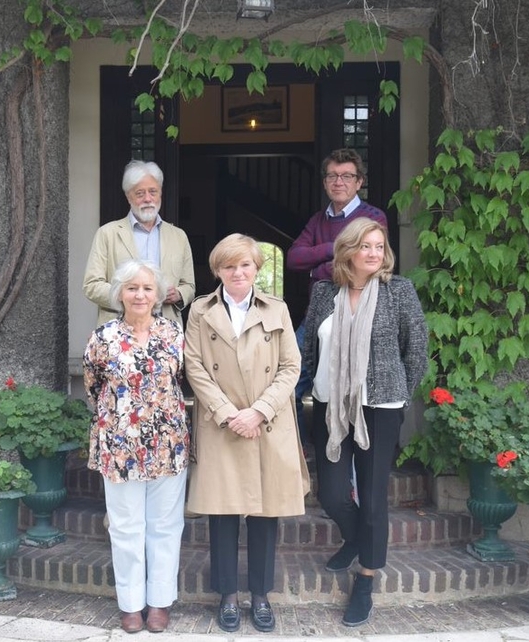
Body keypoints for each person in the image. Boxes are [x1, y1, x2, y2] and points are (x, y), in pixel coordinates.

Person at [302, 218, 428, 627]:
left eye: (380, 246)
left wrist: (399, 395)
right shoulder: (324, 293)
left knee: (373, 500)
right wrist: (308, 393)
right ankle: (355, 537)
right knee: (333, 493)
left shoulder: (399, 291)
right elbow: (310, 351)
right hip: (329, 405)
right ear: (347, 250)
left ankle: (367, 579)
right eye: (366, 246)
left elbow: (417, 349)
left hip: (380, 408)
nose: (375, 253)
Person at [184, 233, 310, 634]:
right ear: (217, 270)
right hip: (223, 425)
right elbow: (195, 367)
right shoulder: (200, 311)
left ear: (257, 268)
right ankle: (226, 596)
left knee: (263, 512)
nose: (237, 272)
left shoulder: (278, 308)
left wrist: (258, 411)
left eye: (245, 265)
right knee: (222, 514)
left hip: (266, 424)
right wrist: (227, 413)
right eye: (228, 266)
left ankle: (260, 595)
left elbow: (292, 366)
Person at [83, 259, 189, 634]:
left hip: (167, 443)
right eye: (132, 288)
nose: (140, 294)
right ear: (120, 294)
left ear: (158, 294)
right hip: (120, 446)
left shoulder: (174, 334)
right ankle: (130, 604)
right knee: (126, 527)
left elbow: (183, 381)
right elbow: (94, 385)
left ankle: (159, 602)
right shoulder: (104, 336)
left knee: (165, 525)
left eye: (147, 288)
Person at [286, 149, 388, 443]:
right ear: (325, 182)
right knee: (287, 383)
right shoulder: (318, 220)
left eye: (346, 176)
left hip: (357, 315)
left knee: (349, 392)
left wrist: (318, 266)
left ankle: (348, 463)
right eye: (332, 175)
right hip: (316, 314)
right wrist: (333, 248)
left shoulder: (372, 217)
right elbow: (294, 258)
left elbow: (362, 265)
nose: (338, 181)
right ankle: (302, 451)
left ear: (359, 182)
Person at [83, 160, 196, 326]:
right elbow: (91, 285)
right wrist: (128, 295)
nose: (148, 199)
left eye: (153, 192)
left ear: (160, 194)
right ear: (129, 197)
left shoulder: (179, 236)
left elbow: (189, 285)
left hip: (165, 330)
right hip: (118, 330)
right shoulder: (108, 233)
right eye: (140, 193)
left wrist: (179, 294)